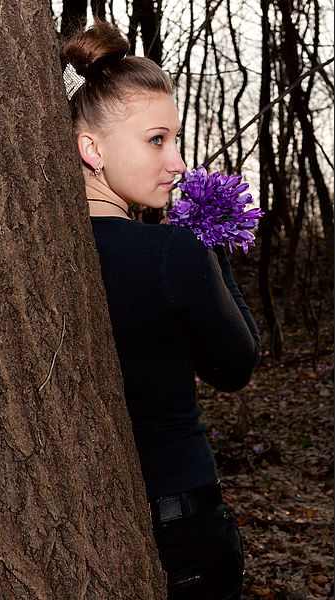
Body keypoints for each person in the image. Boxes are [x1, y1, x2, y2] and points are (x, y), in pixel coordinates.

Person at [61, 19, 260, 600]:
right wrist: (212, 246)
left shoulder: (37, 253)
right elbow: (236, 365)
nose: (177, 162)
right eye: (157, 140)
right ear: (91, 148)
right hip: (185, 529)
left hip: (83, 527)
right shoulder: (175, 253)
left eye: (176, 139)